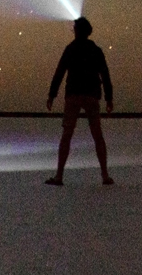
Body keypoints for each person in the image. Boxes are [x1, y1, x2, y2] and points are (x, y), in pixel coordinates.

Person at [45, 16, 114, 186]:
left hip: (74, 95)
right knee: (97, 135)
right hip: (91, 95)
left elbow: (60, 72)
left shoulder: (71, 49)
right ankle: (104, 175)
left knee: (67, 134)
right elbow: (105, 75)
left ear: (78, 31)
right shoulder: (95, 50)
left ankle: (59, 176)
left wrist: (52, 95)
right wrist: (108, 98)